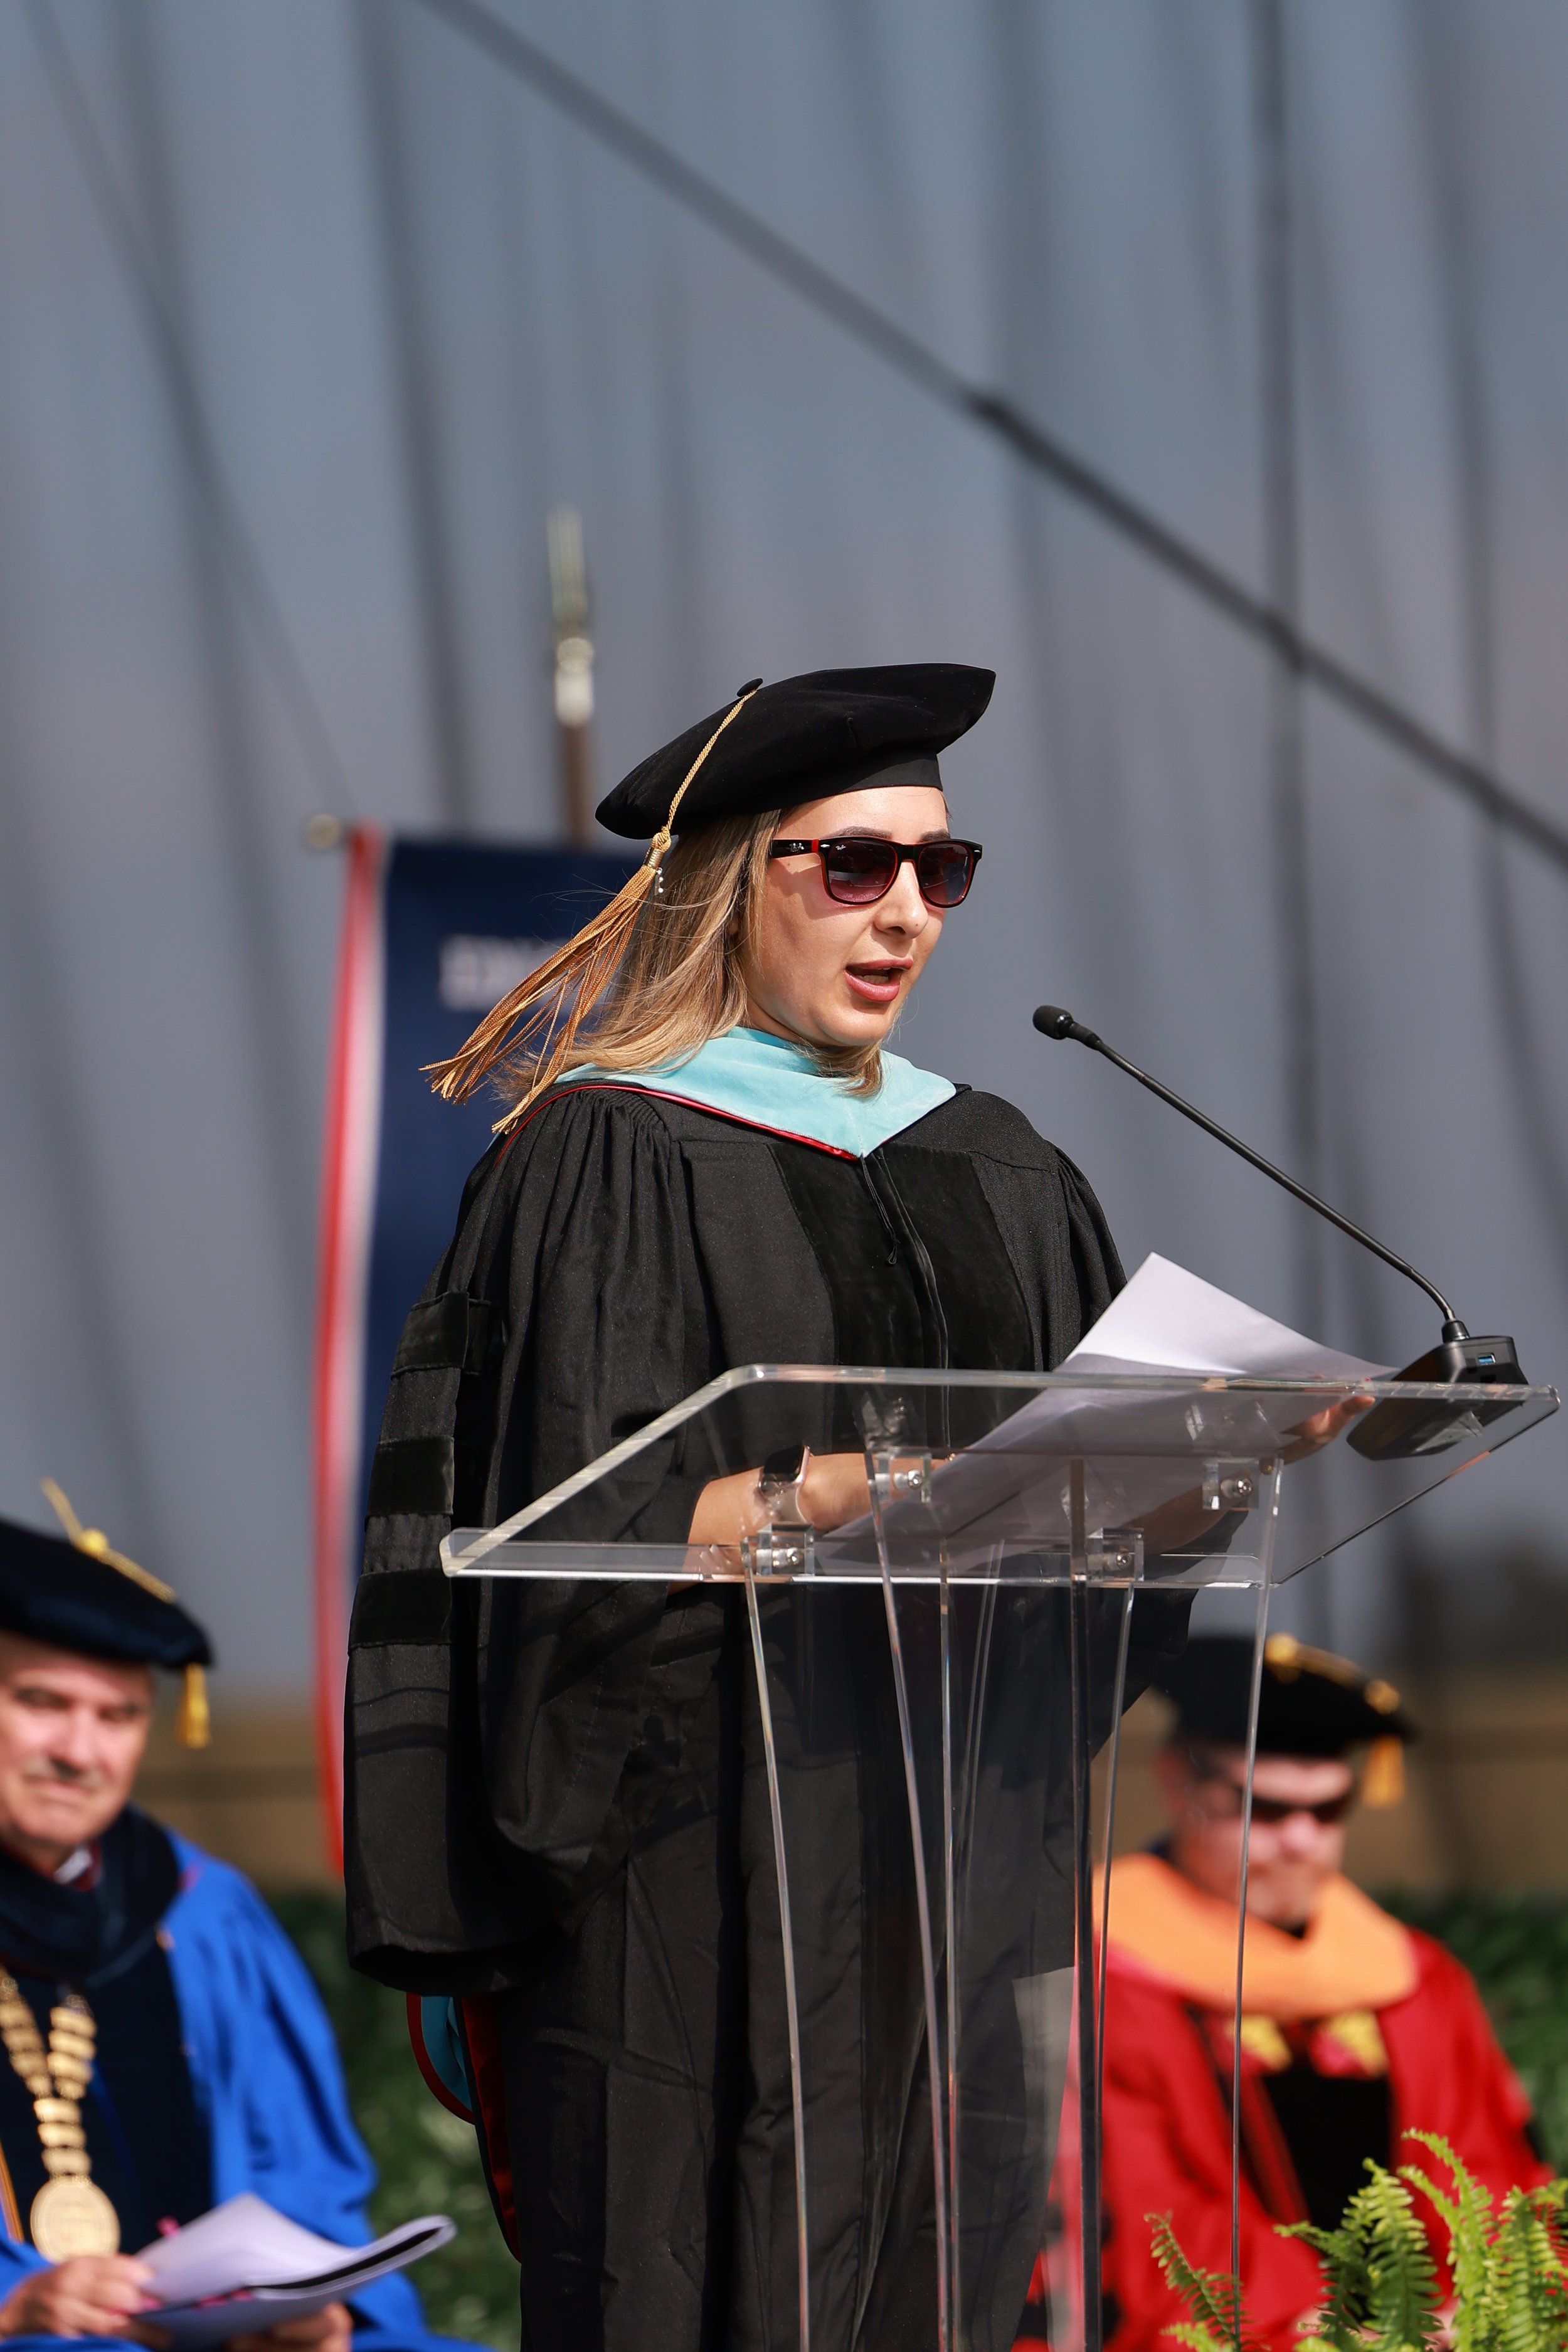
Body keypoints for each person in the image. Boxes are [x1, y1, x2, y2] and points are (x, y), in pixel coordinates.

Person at [344, 666, 1359, 2350]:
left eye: (940, 871)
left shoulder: (1005, 1168)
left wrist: (1204, 1463)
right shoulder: (604, 1155)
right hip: (691, 1867)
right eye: (854, 865)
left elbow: (1086, 1538)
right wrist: (861, 1490)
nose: (905, 913)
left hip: (951, 1864)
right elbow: (548, 1534)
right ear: (736, 875)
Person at [0, 1502, 470, 2352]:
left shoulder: (196, 1907)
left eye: (118, 1717)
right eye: (42, 1701)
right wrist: (16, 2302)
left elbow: (302, 2181)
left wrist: (310, 2307)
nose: (81, 1751)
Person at [1094, 1633, 1547, 2352]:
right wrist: (1328, 2334)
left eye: (1329, 1810)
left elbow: (1490, 2179)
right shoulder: (1107, 1972)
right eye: (1266, 1809)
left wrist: (1481, 2311)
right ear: (1177, 1783)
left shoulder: (1411, 1978)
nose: (1303, 1840)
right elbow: (1156, 2218)